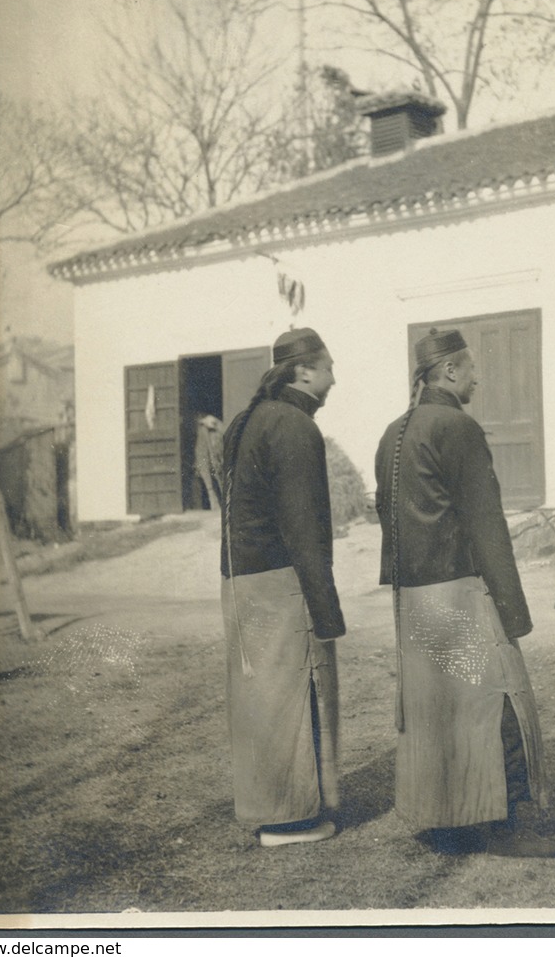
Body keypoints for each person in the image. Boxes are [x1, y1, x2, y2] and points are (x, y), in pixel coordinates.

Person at [374, 327, 555, 858]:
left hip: (414, 598)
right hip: (461, 589)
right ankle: (504, 827)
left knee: (439, 713)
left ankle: (447, 822)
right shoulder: (458, 427)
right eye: (473, 368)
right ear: (451, 371)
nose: (479, 376)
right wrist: (513, 612)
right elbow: (487, 526)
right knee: (496, 705)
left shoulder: (393, 431)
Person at [220, 328, 345, 847]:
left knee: (262, 697)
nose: (335, 379)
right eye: (330, 367)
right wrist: (327, 611)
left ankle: (277, 806)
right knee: (294, 694)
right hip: (279, 580)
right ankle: (290, 818)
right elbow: (304, 526)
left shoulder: (246, 420)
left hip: (241, 580)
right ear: (304, 372)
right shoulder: (294, 426)